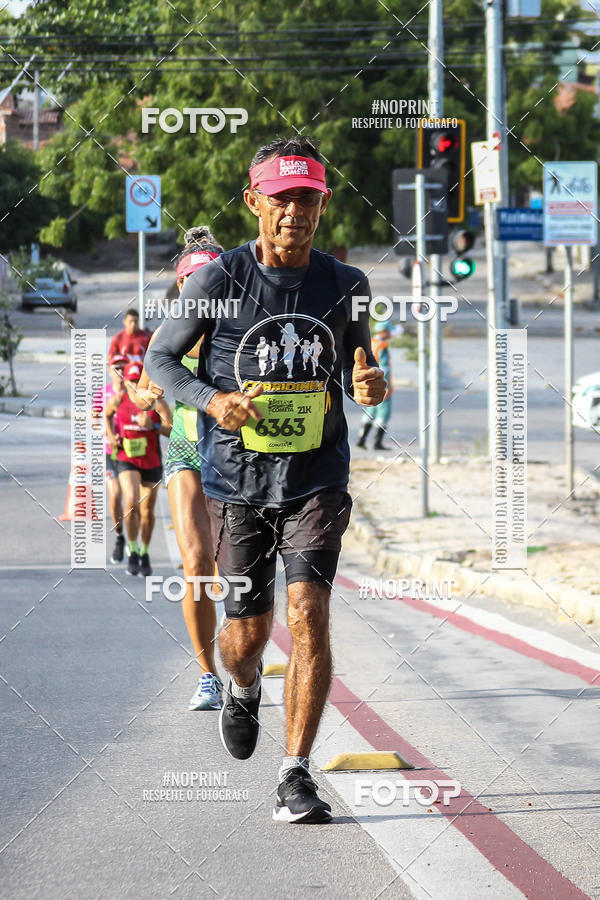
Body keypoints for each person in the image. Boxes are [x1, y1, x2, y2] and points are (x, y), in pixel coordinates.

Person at [145, 135, 386, 824]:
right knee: (247, 636)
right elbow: (161, 361)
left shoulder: (346, 284)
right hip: (238, 481)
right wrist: (213, 400)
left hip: (317, 477)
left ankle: (295, 772)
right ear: (254, 200)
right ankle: (243, 685)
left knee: (309, 612)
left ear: (323, 204)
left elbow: (361, 366)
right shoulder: (217, 281)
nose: (294, 212)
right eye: (281, 199)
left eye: (307, 198)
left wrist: (370, 385)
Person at [133, 226, 226, 711]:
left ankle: (245, 654)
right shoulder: (167, 333)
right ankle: (209, 674)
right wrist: (149, 399)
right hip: (187, 450)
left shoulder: (240, 327)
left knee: (239, 567)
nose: (203, 289)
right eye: (194, 281)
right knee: (196, 564)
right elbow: (144, 391)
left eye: (212, 280)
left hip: (239, 456)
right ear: (182, 285)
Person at [105, 361, 171, 577]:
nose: (134, 386)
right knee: (131, 501)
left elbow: (172, 430)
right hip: (127, 459)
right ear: (125, 382)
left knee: (147, 511)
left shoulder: (157, 403)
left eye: (137, 381)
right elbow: (107, 415)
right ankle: (132, 550)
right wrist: (111, 436)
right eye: (131, 381)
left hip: (151, 461)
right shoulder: (118, 400)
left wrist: (153, 426)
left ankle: (144, 552)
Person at [93, 354, 128, 563]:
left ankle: (136, 544)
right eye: (117, 368)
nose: (121, 372)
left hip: (133, 453)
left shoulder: (133, 392)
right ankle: (120, 536)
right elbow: (94, 420)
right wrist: (107, 433)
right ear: (109, 371)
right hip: (110, 452)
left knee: (134, 500)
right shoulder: (102, 393)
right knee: (115, 495)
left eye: (124, 368)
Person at [356, 320, 393, 451]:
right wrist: (386, 386)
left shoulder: (370, 342)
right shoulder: (382, 345)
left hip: (370, 382)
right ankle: (377, 443)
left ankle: (361, 439)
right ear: (383, 331)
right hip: (380, 383)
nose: (390, 333)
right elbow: (384, 367)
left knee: (370, 411)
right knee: (383, 413)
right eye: (388, 330)